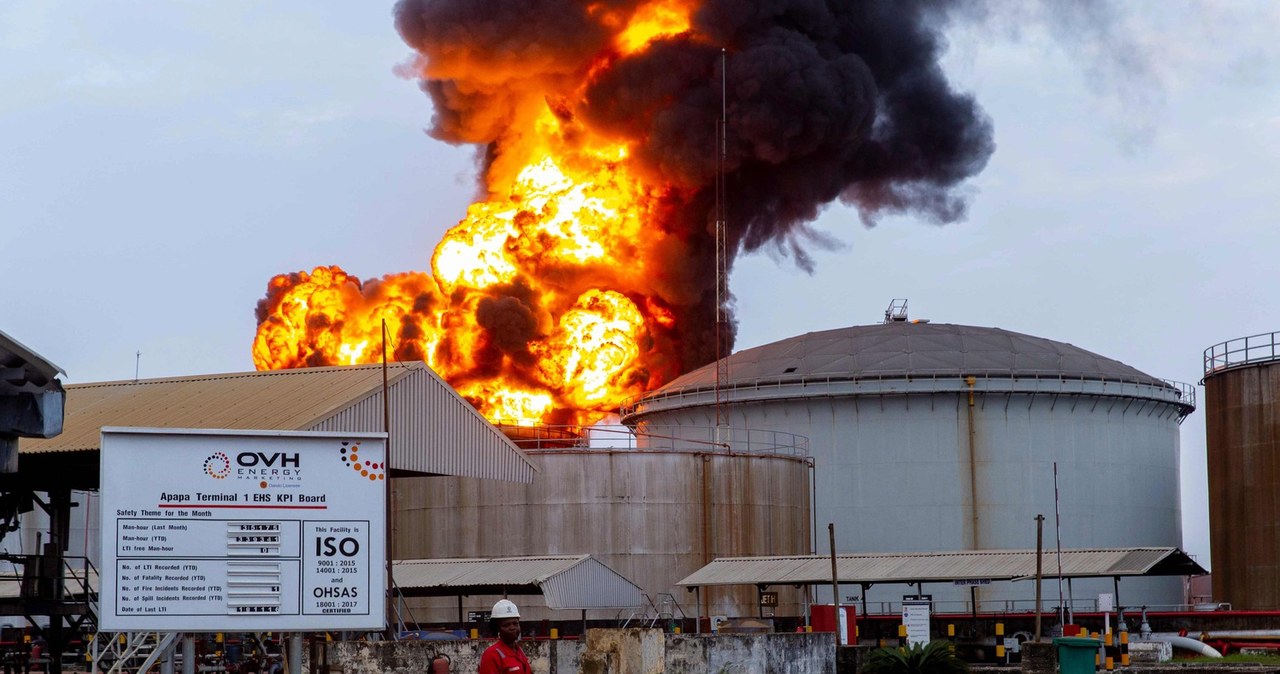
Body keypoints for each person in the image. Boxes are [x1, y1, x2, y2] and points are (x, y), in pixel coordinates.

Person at [477, 600, 528, 674]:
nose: (512, 628)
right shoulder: (491, 655)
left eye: (515, 623)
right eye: (506, 625)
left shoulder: (519, 651)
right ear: (497, 628)